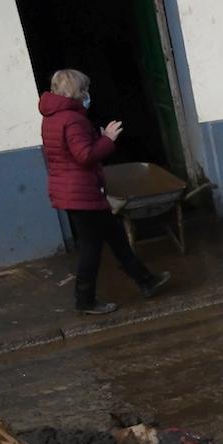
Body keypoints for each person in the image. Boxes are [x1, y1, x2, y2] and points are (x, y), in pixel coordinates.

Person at [39, 69, 172, 315]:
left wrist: (95, 138)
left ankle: (145, 280)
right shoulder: (73, 118)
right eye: (84, 90)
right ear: (75, 92)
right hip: (81, 192)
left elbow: (70, 150)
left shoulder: (52, 117)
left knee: (116, 237)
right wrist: (108, 139)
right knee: (92, 248)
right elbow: (85, 156)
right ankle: (85, 300)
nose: (88, 94)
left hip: (73, 190)